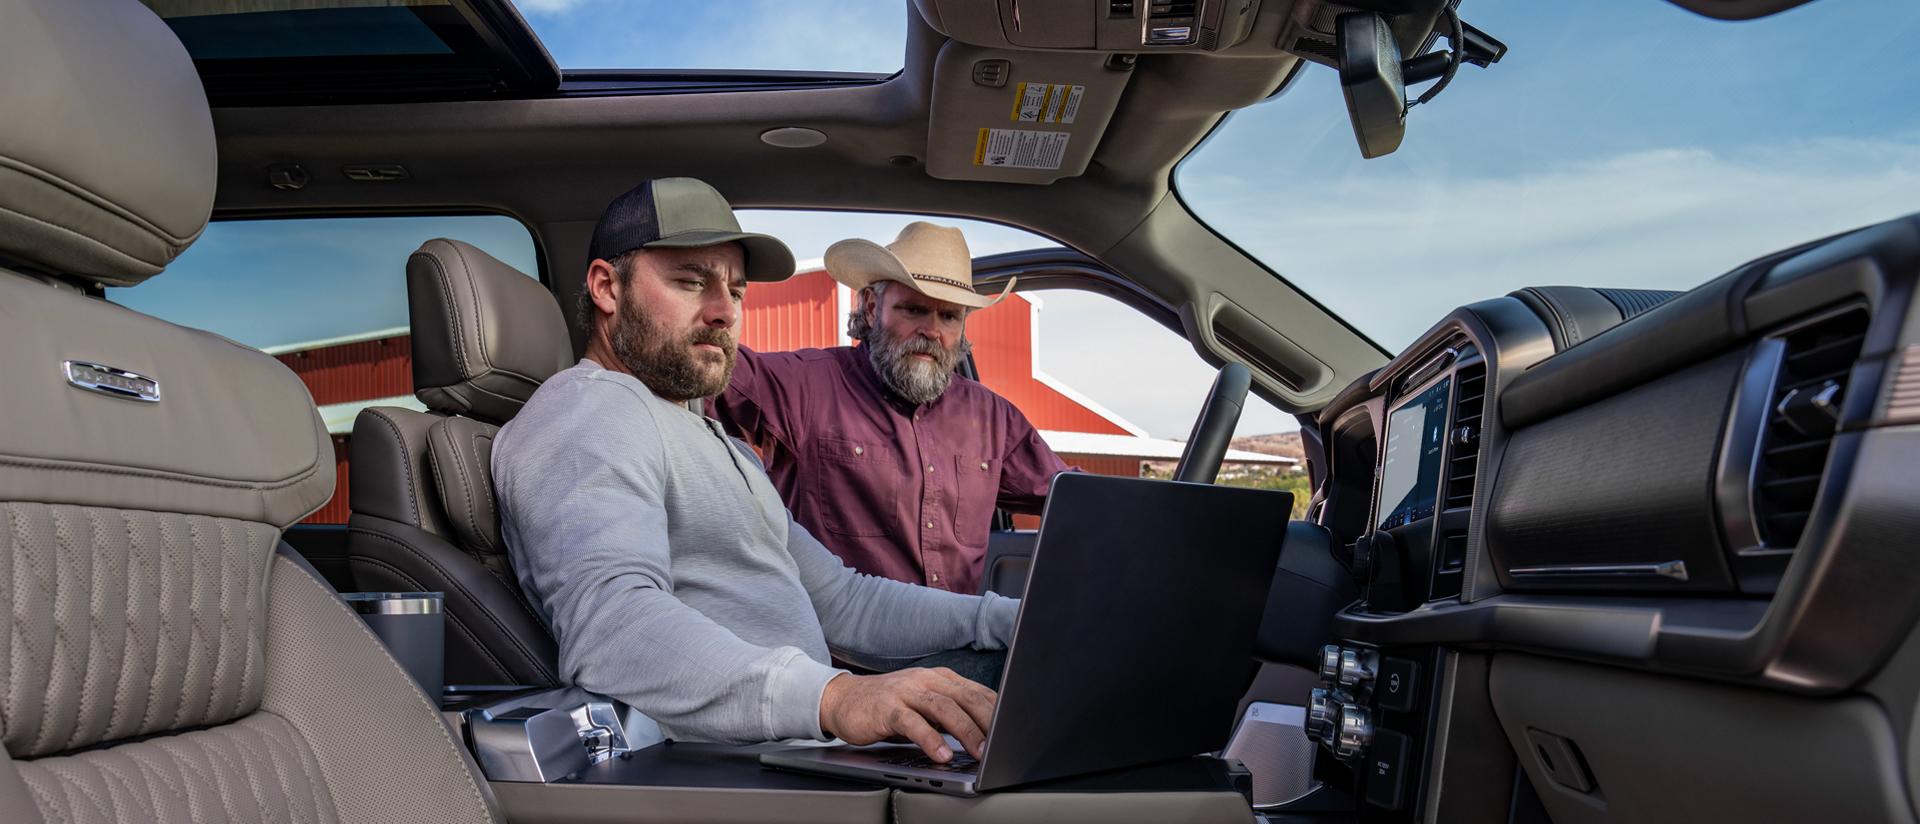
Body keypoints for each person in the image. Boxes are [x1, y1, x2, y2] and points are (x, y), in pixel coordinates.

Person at [493, 178, 1017, 763]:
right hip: (737, 780)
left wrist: (1006, 619)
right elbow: (613, 628)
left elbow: (844, 601)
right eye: (691, 282)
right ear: (607, 288)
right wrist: (836, 697)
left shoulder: (717, 441)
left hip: (805, 753)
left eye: (736, 291)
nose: (723, 312)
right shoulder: (588, 410)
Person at [711, 221, 1072, 595]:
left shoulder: (993, 419)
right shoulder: (805, 386)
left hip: (957, 646)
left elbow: (1075, 499)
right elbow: (705, 372)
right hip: (836, 650)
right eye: (914, 310)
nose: (931, 331)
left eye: (949, 316)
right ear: (870, 307)